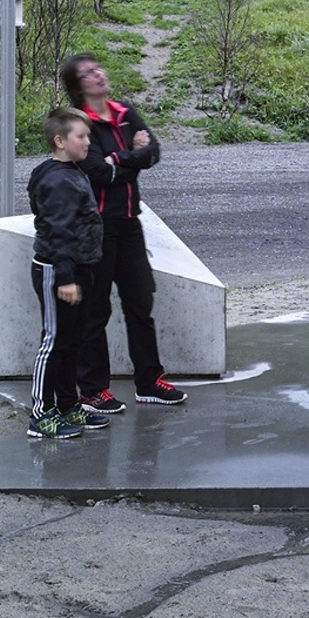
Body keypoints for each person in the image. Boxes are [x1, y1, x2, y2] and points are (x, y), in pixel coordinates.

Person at [59, 53, 187, 409]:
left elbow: (154, 153)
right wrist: (132, 157)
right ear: (77, 85)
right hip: (96, 228)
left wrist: (121, 160)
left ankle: (150, 381)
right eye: (88, 73)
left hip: (131, 222)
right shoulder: (80, 123)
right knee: (96, 310)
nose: (98, 74)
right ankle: (92, 389)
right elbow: (98, 173)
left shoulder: (124, 111)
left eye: (99, 67)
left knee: (140, 303)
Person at [26, 106, 108, 441]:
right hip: (59, 271)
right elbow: (57, 231)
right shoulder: (57, 180)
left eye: (88, 135)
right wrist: (65, 277)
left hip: (80, 267)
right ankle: (41, 414)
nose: (88, 142)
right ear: (60, 140)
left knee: (73, 341)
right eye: (81, 136)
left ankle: (68, 405)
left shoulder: (72, 171)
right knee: (54, 342)